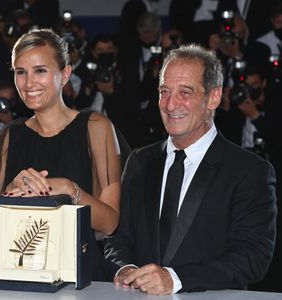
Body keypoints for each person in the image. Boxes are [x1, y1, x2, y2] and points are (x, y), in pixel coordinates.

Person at [104, 44, 277, 294]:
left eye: (185, 92)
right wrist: (125, 268)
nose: (171, 104)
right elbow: (118, 237)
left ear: (214, 97)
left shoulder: (249, 171)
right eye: (164, 91)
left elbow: (253, 258)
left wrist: (174, 279)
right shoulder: (140, 161)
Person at [0, 29, 124, 281]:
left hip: (80, 275)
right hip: (19, 274)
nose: (28, 83)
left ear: (65, 75)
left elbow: (110, 223)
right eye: (20, 72)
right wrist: (11, 189)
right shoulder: (3, 139)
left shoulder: (95, 127)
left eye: (40, 70)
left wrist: (69, 189)